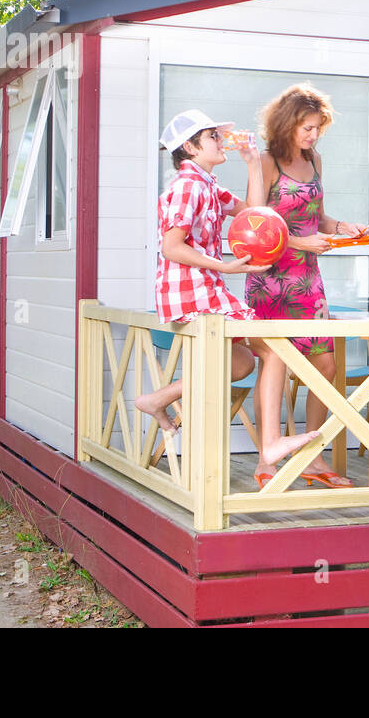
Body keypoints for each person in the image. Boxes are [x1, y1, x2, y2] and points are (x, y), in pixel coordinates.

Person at [137, 109, 321, 473]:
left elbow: (254, 214)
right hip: (192, 289)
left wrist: (253, 163)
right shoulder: (187, 186)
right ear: (189, 147)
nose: (221, 141)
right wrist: (224, 266)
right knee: (275, 351)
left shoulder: (206, 184)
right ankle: (270, 444)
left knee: (241, 363)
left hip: (205, 286)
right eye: (213, 137)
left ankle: (156, 399)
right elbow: (171, 247)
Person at [245, 85, 368, 488]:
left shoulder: (315, 160)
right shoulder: (266, 163)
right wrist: (298, 242)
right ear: (287, 125)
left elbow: (313, 213)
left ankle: (311, 458)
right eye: (306, 128)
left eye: (317, 128)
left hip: (308, 280)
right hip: (271, 281)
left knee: (325, 364)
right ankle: (267, 459)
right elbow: (255, 223)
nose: (312, 136)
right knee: (273, 363)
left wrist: (339, 227)